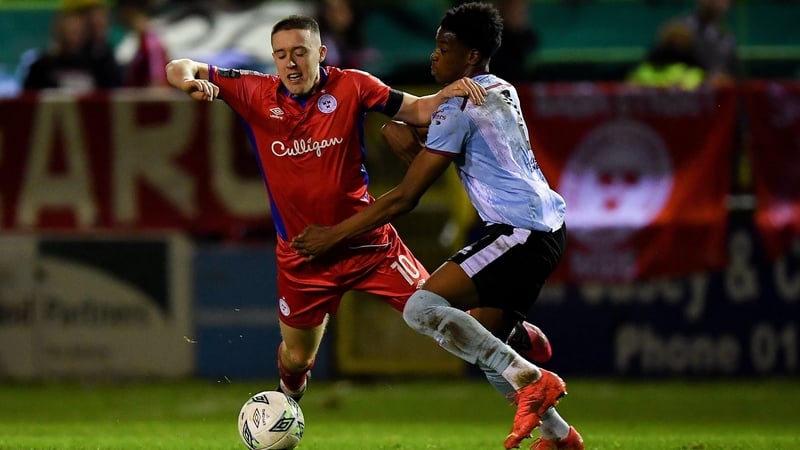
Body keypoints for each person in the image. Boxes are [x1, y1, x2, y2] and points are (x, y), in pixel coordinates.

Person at [166, 14, 549, 411]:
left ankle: (515, 336)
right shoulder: (253, 90)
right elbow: (178, 66)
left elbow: (417, 110)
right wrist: (191, 83)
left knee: (440, 312)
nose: (290, 63)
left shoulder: (353, 85)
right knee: (296, 358)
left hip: (369, 244)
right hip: (303, 254)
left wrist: (446, 94)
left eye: (300, 52)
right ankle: (288, 402)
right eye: (281, 54)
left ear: (321, 53)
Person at [291, 3, 583, 449]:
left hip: (518, 232)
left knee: (421, 308)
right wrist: (411, 137)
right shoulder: (500, 88)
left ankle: (530, 373)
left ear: (471, 56)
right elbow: (466, 148)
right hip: (546, 228)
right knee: (483, 343)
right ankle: (561, 436)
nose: (434, 56)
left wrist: (332, 235)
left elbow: (406, 196)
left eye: (445, 48)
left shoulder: (457, 106)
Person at [22, 6, 119, 91]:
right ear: (58, 32)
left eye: (76, 32)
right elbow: (28, 97)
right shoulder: (42, 66)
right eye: (68, 32)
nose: (72, 38)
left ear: (85, 33)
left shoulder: (99, 65)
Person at [674, 0, 739, 86]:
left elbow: (733, 73)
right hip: (687, 91)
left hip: (719, 92)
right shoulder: (680, 29)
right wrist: (705, 79)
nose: (717, 3)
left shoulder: (728, 37)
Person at [117, 0, 170, 87]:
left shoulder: (152, 43)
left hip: (151, 92)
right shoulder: (139, 40)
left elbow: (157, 77)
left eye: (137, 19)